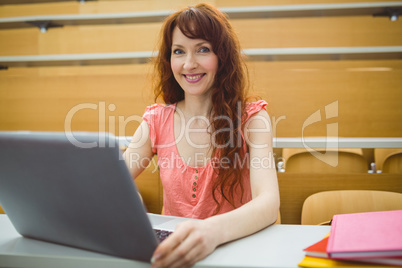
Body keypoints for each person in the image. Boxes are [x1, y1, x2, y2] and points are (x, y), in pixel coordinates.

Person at [123, 3, 280, 268]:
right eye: (179, 51)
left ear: (222, 56)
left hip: (237, 253)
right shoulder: (156, 120)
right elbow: (111, 183)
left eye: (203, 49)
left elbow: (268, 203)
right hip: (175, 257)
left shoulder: (252, 119)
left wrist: (211, 232)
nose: (189, 64)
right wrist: (130, 202)